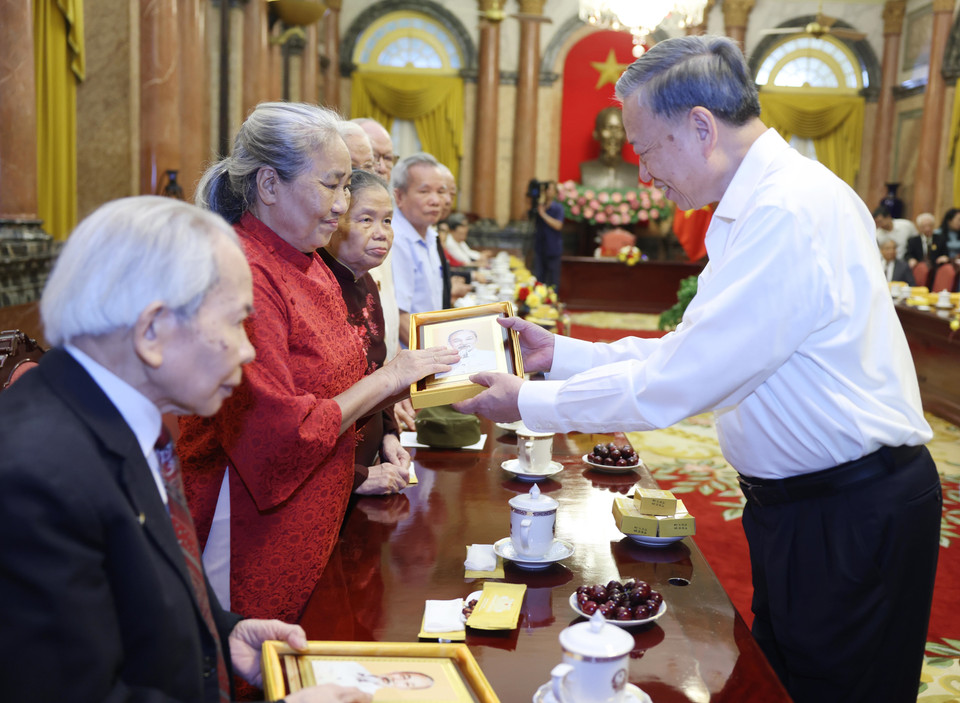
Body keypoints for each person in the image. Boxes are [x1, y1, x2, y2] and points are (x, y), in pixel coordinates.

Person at [455, 36, 941, 703]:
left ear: (701, 127)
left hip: (849, 513)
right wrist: (559, 356)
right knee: (783, 681)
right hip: (810, 508)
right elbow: (686, 348)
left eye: (647, 149)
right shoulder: (761, 203)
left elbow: (677, 383)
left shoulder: (787, 211)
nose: (646, 174)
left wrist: (532, 404)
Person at [0, 196, 369, 703]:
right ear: (152, 331)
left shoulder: (116, 420)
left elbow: (129, 590)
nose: (247, 350)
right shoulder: (33, 477)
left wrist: (219, 632)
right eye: (237, 322)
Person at [179, 103, 458, 623]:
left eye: (346, 187)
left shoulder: (307, 259)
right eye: (332, 185)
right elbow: (278, 435)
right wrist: (388, 379)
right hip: (249, 522)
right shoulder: (244, 271)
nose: (342, 204)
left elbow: (341, 381)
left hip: (318, 515)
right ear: (268, 184)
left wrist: (415, 383)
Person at [320, 169, 410, 493]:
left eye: (387, 221)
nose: (382, 233)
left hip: (370, 462)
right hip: (333, 478)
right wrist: (357, 477)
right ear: (335, 220)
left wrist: (389, 435)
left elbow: (376, 366)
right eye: (366, 220)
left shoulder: (365, 278)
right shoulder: (319, 283)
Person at [390, 152, 446, 347]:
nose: (436, 200)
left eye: (440, 191)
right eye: (424, 191)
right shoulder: (395, 238)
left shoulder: (429, 234)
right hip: (413, 357)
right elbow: (398, 317)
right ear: (399, 196)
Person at [579, 106, 640, 189]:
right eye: (608, 128)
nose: (613, 135)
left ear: (625, 136)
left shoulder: (633, 171)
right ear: (596, 133)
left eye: (618, 129)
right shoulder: (586, 169)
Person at [310, 662, 433, 695]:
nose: (398, 680)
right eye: (405, 677)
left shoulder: (362, 697)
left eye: (407, 684)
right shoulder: (354, 665)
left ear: (403, 690)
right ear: (397, 672)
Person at [533, 181, 565, 288]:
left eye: (550, 189)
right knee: (539, 280)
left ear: (555, 192)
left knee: (553, 281)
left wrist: (543, 215)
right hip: (540, 247)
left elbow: (558, 225)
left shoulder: (558, 208)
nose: (547, 191)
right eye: (546, 189)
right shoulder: (540, 207)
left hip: (553, 248)